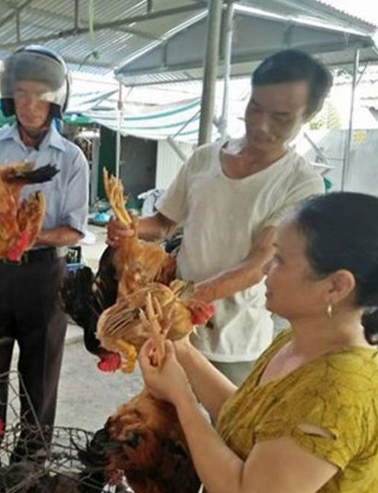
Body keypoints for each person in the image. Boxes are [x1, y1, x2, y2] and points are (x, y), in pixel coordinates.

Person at [81, 192, 378, 493]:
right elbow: (246, 416)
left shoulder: (341, 390)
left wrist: (182, 400)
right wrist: (182, 351)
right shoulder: (299, 340)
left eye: (281, 260)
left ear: (336, 285)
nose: (266, 268)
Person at [107, 49, 333, 384]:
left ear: (309, 114)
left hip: (235, 342)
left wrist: (184, 299)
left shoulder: (301, 183)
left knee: (223, 431)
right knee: (161, 425)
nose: (261, 125)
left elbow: (260, 262)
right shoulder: (205, 159)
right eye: (255, 108)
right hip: (172, 331)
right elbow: (164, 222)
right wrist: (130, 228)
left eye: (281, 117)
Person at [0, 45, 89, 463]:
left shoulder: (71, 158)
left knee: (40, 376)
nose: (31, 104)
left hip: (44, 277)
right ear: (10, 97)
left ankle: (29, 470)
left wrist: (27, 235)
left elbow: (74, 229)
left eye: (40, 93)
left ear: (56, 98)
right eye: (22, 93)